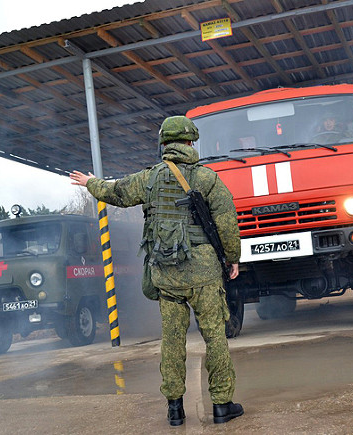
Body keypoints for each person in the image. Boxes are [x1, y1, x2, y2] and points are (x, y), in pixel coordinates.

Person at [70, 115, 244, 426]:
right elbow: (227, 223)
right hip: (204, 272)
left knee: (172, 340)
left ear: (163, 144)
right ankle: (221, 405)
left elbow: (116, 192)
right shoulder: (208, 179)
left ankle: (175, 410)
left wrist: (89, 183)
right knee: (215, 336)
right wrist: (232, 259)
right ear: (191, 143)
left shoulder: (149, 178)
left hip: (166, 271)